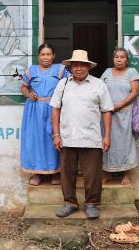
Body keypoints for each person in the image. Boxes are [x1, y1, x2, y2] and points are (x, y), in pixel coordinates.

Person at [50, 50, 114, 220]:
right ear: (70, 67)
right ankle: (70, 203)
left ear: (88, 67)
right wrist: (56, 134)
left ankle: (91, 204)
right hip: (67, 136)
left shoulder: (98, 84)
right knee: (67, 173)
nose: (78, 68)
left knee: (92, 174)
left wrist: (107, 136)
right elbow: (55, 109)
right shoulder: (63, 84)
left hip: (91, 137)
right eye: (75, 65)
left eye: (82, 65)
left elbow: (107, 111)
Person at [20, 43, 69, 185]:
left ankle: (56, 172)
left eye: (48, 54)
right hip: (34, 110)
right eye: (43, 54)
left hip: (55, 108)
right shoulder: (32, 70)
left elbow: (70, 85)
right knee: (36, 139)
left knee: (54, 138)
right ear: (38, 56)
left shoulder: (60, 69)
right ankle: (37, 173)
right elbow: (23, 87)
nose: (46, 57)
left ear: (53, 56)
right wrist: (28, 93)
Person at [100, 48, 139, 185]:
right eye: (116, 57)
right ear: (113, 59)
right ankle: (107, 173)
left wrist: (119, 105)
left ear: (127, 60)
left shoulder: (132, 72)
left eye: (122, 57)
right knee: (107, 141)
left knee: (125, 143)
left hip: (125, 114)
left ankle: (126, 174)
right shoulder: (106, 72)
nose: (119, 59)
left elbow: (134, 92)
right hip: (108, 114)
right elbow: (100, 90)